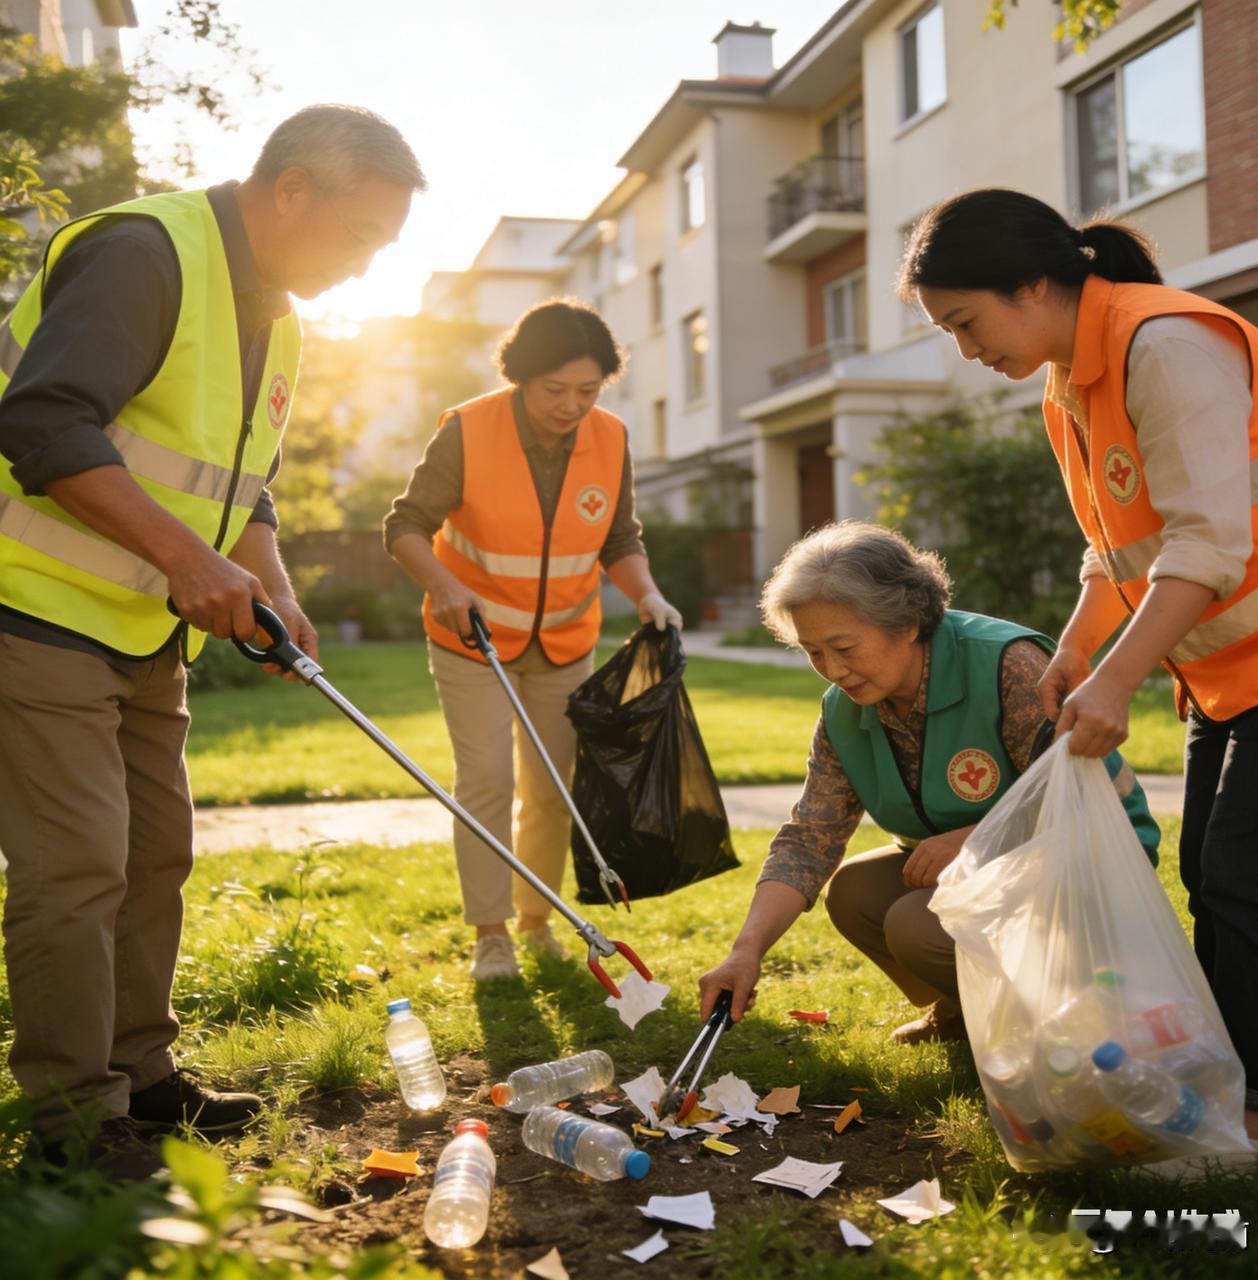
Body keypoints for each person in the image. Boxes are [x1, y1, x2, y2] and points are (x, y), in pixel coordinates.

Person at [0, 104, 424, 1178]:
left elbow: (241, 479)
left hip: (143, 624)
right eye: (361, 235)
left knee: (156, 850)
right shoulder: (143, 254)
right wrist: (195, 564)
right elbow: (44, 424)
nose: (368, 265)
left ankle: (141, 1072)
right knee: (78, 863)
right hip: (32, 603)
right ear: (291, 192)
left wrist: (268, 578)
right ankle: (71, 1123)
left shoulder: (276, 313)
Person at [898, 186, 1258, 1153]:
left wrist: (1116, 680)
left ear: (1035, 285)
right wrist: (1074, 650)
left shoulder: (1168, 346)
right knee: (1215, 872)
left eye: (966, 321)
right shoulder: (1069, 381)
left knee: (1244, 879)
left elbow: (1204, 547)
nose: (965, 348)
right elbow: (1117, 549)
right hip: (1233, 671)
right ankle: (1253, 1086)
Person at [699, 521, 1159, 1044]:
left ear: (907, 624)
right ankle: (964, 1014)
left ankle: (1055, 1031)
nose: (832, 669)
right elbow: (809, 838)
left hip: (1091, 865)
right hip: (990, 875)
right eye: (813, 652)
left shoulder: (1008, 667)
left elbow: (1086, 803)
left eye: (844, 646)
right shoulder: (845, 709)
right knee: (854, 891)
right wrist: (746, 952)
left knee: (918, 924)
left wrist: (972, 843)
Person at [384, 299, 682, 981]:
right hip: (472, 640)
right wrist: (445, 586)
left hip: (564, 644)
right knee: (486, 780)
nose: (572, 405)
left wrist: (648, 596)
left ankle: (537, 921)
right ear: (521, 376)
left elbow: (619, 536)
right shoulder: (467, 430)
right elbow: (403, 525)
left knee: (552, 788)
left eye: (588, 390)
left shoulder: (611, 438)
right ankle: (491, 937)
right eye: (556, 389)